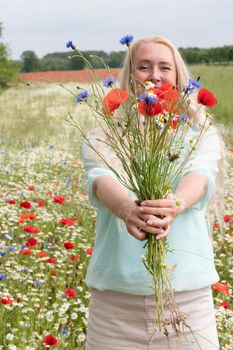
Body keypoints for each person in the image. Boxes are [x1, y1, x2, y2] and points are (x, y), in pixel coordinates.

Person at [82, 35, 223, 350]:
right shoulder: (103, 136)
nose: (154, 75)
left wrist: (174, 205)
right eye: (143, 67)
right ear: (130, 77)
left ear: (178, 77)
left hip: (185, 303)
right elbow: (100, 178)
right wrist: (127, 210)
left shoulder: (199, 133)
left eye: (164, 67)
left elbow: (199, 176)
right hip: (115, 307)